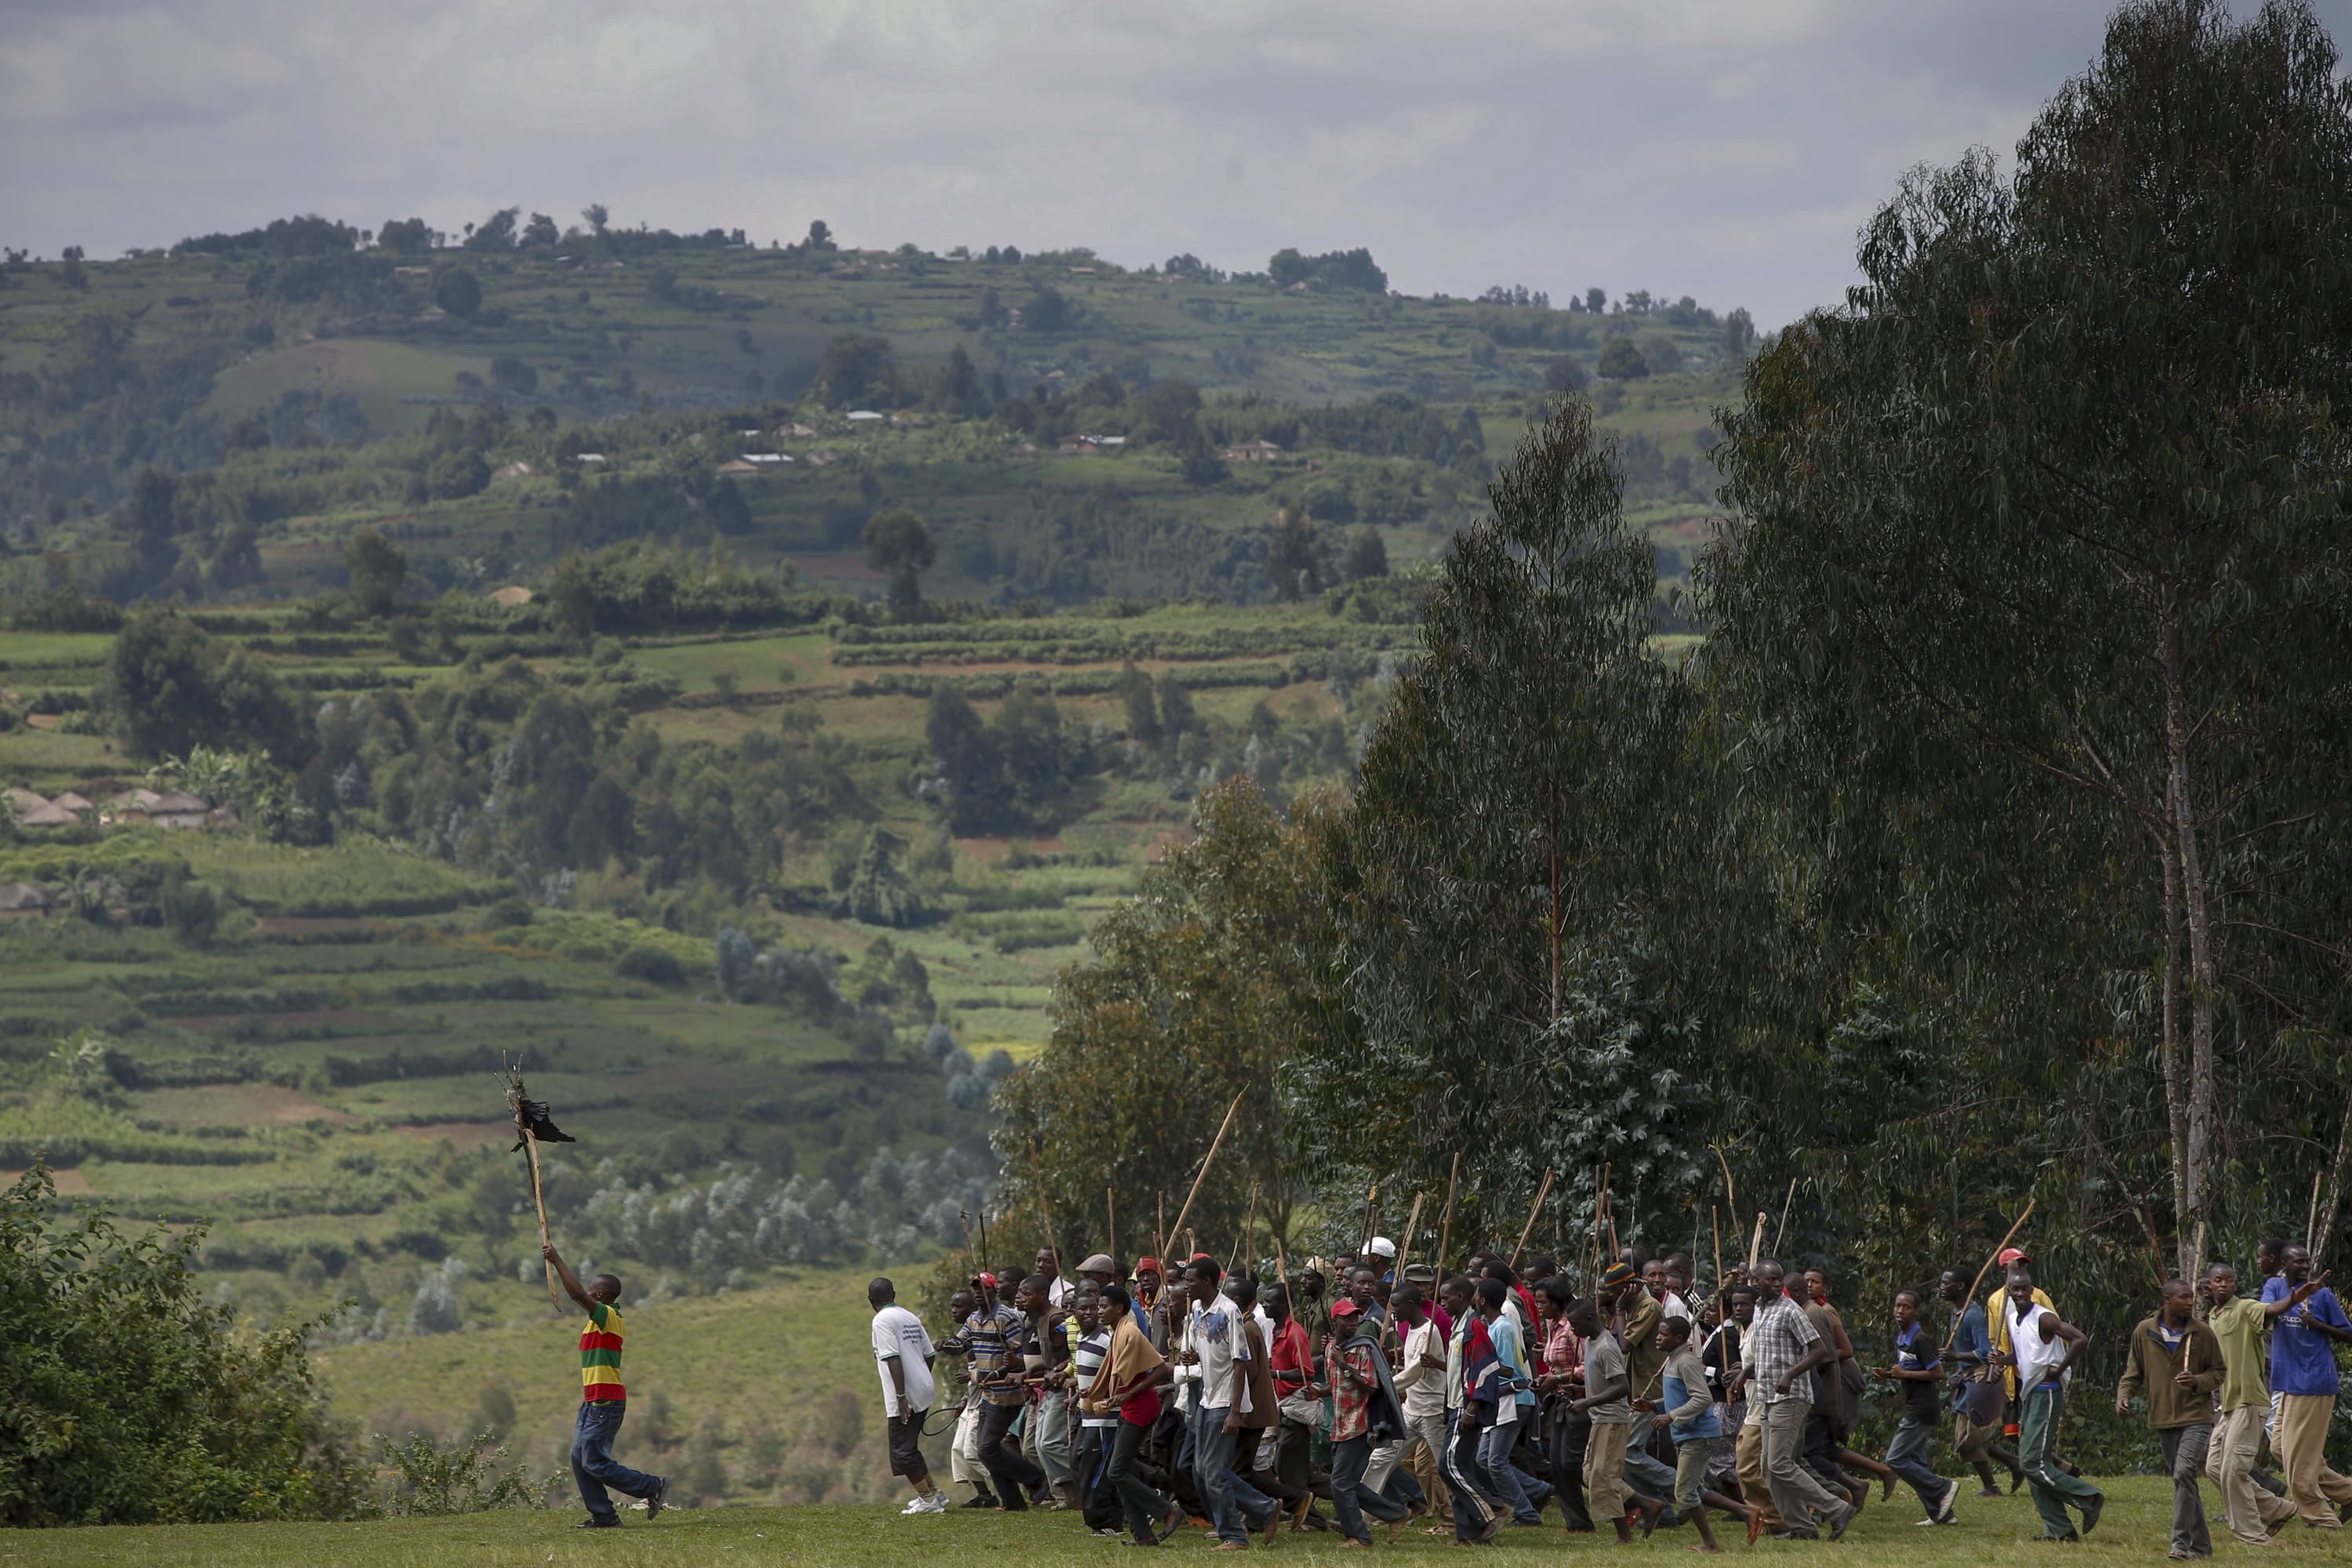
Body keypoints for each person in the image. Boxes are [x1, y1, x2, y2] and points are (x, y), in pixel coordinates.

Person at [543, 1242, 667, 1529]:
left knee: (595, 1461)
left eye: (591, 1290)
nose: (586, 1292)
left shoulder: (608, 1316)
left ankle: (652, 1486)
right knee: (579, 1459)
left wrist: (557, 1259)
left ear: (599, 1295)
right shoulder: (597, 1321)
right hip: (592, 1402)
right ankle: (604, 1516)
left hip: (606, 1402)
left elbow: (575, 1294)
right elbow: (579, 1294)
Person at [1735, 1258, 1853, 1541]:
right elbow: (1765, 1353)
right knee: (1768, 1468)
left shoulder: (1790, 1311)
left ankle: (1837, 1509)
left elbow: (1819, 1350)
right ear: (1756, 1281)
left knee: (1779, 1464)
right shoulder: (1761, 1310)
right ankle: (1801, 1526)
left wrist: (1790, 1375)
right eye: (1770, 1280)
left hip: (1791, 1398)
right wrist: (1744, 1374)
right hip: (1766, 1397)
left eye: (1779, 1279)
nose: (1777, 1284)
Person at [2116, 1276, 2224, 1559]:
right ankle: (2203, 1547)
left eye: (2191, 1297)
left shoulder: (2203, 1333)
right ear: (2167, 1301)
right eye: (2184, 1297)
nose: (2190, 1302)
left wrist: (2197, 1381)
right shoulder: (2144, 1331)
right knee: (2183, 1481)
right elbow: (2133, 1372)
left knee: (2184, 1471)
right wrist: (2123, 1396)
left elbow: (2219, 1373)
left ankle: (2180, 1544)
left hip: (2197, 1415)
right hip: (2163, 1417)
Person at [1992, 1267, 2103, 1541]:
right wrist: (2002, 1361)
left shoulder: (2044, 1317)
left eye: (2024, 1289)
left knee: (2031, 1463)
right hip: (2030, 1393)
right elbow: (2023, 1354)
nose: (2019, 1294)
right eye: (2014, 1290)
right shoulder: (2012, 1318)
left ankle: (2088, 1498)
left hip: (2047, 1391)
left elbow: (2080, 1339)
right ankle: (2059, 1530)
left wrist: (2061, 1367)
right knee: (2034, 1464)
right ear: (2008, 1292)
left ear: (2032, 1291)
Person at [2201, 1260, 2299, 1544]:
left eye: (2228, 1280)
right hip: (2228, 1404)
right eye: (2218, 1280)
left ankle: (2252, 1534)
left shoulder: (2245, 1308)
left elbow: (2269, 1310)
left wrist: (2293, 1298)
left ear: (2234, 1284)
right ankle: (2277, 1508)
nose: (2223, 1284)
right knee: (2214, 1468)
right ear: (2209, 1285)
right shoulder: (2214, 1317)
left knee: (2234, 1470)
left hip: (2250, 1400)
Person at [1185, 1258, 1279, 1549]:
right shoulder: (1197, 1309)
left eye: (1191, 1280)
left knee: (1214, 1472)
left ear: (1209, 1281)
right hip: (1206, 1397)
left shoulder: (1230, 1311)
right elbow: (1210, 1354)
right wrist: (1194, 1358)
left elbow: (1240, 1363)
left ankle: (1234, 1535)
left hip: (1225, 1400)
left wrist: (1235, 1412)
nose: (1186, 1285)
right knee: (1201, 1470)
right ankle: (1264, 1507)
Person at [2260, 1245, 2352, 1528]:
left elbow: (2349, 1334)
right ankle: (2348, 1493)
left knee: (2298, 1464)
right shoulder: (2275, 1287)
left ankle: (2322, 1520)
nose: (2303, 1266)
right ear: (2283, 1265)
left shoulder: (2322, 1294)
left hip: (2313, 1382)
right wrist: (2295, 1299)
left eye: (2306, 1262)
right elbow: (2265, 1314)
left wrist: (2320, 1325)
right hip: (2285, 1383)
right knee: (2280, 1449)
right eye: (2297, 1262)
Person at [1087, 1283, 1184, 1546]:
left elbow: (1161, 1369)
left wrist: (1129, 1394)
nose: (1099, 1312)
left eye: (1103, 1307)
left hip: (1140, 1408)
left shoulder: (1130, 1332)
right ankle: (1143, 1535)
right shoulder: (1118, 1331)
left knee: (1116, 1472)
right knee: (1121, 1469)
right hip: (1130, 1406)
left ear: (1119, 1308)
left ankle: (1167, 1510)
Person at [1572, 1294, 1666, 1543]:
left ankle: (1624, 1535)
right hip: (1599, 1418)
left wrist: (1588, 1402)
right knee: (1590, 1475)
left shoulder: (1605, 1346)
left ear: (1590, 1319)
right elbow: (1602, 1382)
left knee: (1603, 1477)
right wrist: (1581, 1392)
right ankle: (1648, 1504)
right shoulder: (1591, 1342)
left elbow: (1622, 1387)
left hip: (1612, 1420)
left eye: (1575, 1323)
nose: (1573, 1328)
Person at [1868, 1288, 1959, 1524]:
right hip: (1915, 1405)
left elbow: (1937, 1373)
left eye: (1905, 1307)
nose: (1900, 1310)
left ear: (1916, 1311)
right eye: (1897, 1306)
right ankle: (1941, 1513)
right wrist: (1889, 1374)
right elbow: (1909, 1372)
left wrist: (1904, 1373)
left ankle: (1944, 1487)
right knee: (1917, 1462)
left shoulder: (1919, 1339)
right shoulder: (1902, 1337)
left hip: (1922, 1409)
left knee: (1896, 1459)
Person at [1660, 1313, 1748, 1551]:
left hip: (1699, 1435)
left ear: (1678, 1338)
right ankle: (1747, 1511)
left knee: (1685, 1494)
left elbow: (1702, 1398)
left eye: (1663, 1335)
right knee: (1695, 1489)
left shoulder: (1686, 1362)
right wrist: (1654, 1405)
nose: (1658, 1339)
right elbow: (1678, 1397)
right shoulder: (1672, 1361)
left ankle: (1710, 1543)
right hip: (1686, 1434)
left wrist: (1671, 1416)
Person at [1328, 1298, 1413, 1546]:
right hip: (1340, 1422)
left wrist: (1345, 1366)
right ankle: (1396, 1514)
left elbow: (1371, 1386)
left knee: (1340, 1483)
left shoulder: (1361, 1349)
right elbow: (1336, 1385)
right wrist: (1319, 1391)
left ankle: (1359, 1535)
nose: (1353, 1323)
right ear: (1335, 1321)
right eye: (1347, 1318)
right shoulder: (1331, 1348)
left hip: (1359, 1422)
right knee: (1347, 1482)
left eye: (1355, 1318)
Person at [961, 1271, 1048, 1511]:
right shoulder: (972, 1320)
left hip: (1006, 1394)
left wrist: (1011, 1364)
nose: (978, 1293)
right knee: (987, 1451)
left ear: (994, 1291)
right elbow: (959, 1343)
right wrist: (943, 1346)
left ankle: (1037, 1479)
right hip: (987, 1393)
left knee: (987, 1448)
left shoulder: (1006, 1318)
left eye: (984, 1289)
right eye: (975, 1289)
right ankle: (1013, 1501)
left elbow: (1021, 1355)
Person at [1938, 1265, 2020, 1495]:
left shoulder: (1972, 1316)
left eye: (1946, 1283)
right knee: (1970, 1436)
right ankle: (2007, 1471)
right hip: (1968, 1377)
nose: (1941, 1288)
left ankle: (1996, 1482)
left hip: (1980, 1378)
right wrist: (1958, 1368)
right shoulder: (1956, 1314)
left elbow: (1985, 1351)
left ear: (1961, 1286)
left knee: (1967, 1437)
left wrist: (1955, 1356)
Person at [1475, 1276, 1551, 1524]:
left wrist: (1481, 1373)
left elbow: (1506, 1369)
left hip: (1513, 1399)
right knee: (1483, 1459)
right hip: (1500, 1401)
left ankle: (1526, 1512)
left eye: (1476, 1294)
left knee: (1495, 1462)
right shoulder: (1492, 1326)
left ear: (1483, 1300)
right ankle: (1537, 1490)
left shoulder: (1503, 1329)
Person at [869, 1276, 945, 1515]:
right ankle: (934, 1494)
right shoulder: (909, 1316)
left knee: (901, 1451)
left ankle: (928, 1500)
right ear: (894, 1294)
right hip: (923, 1388)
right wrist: (921, 1375)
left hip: (905, 1395)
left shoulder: (881, 1320)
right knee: (909, 1447)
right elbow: (929, 1354)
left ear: (871, 1300)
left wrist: (902, 1395)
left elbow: (893, 1358)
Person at [1439, 1274, 1508, 1544]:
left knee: (1448, 1464)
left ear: (1460, 1297)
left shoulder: (1473, 1325)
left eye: (1445, 1298)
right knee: (1462, 1468)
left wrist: (1473, 1406)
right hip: (1455, 1405)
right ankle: (1469, 1533)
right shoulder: (1459, 1326)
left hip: (1465, 1407)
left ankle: (1492, 1509)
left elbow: (1485, 1367)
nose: (1441, 1303)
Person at [1536, 1276, 1595, 1533]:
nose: (1539, 1307)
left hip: (1577, 1398)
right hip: (1558, 1400)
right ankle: (1576, 1521)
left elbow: (1587, 1366)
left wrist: (1557, 1377)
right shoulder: (1551, 1325)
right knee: (1557, 1463)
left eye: (1543, 1302)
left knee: (1572, 1463)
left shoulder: (1573, 1327)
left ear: (1557, 1302)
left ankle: (1635, 1502)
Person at [1066, 1285, 1122, 1534]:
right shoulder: (1081, 1338)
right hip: (1085, 1415)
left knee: (1097, 1471)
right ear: (1074, 1312)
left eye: (1094, 1307)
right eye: (1083, 1308)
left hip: (1104, 1419)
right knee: (1080, 1464)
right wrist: (1077, 1392)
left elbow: (1117, 1377)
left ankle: (1106, 1522)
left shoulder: (1107, 1340)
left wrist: (1104, 1396)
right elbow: (1090, 1377)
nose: (1089, 1312)